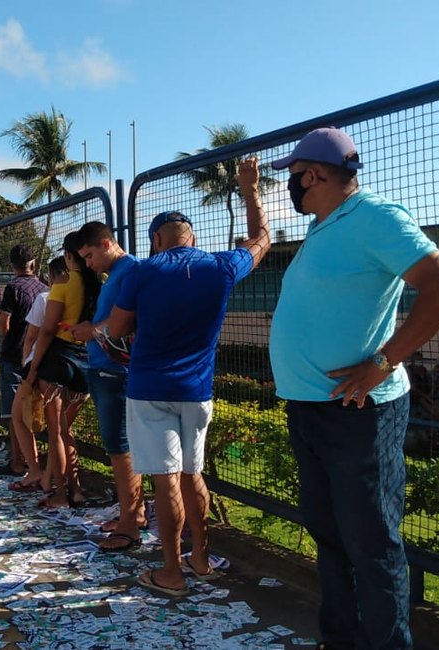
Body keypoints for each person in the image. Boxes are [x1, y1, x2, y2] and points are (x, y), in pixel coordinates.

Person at [268, 127, 439, 648]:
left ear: (313, 175)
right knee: (330, 536)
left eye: (293, 177)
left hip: (359, 412)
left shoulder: (377, 217)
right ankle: (341, 639)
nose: (290, 187)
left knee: (371, 543)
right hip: (311, 409)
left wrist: (382, 362)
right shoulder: (323, 226)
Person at [105, 158, 270, 598]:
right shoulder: (220, 267)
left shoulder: (142, 270)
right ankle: (200, 556)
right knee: (194, 474)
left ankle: (171, 572)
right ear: (193, 236)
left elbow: (117, 329)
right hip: (197, 390)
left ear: (156, 239)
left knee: (165, 479)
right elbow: (261, 241)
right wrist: (249, 189)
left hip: (149, 389)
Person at [71, 221, 144, 552]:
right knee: (119, 447)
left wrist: (92, 331)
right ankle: (133, 512)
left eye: (89, 256)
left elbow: (127, 320)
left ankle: (130, 523)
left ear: (105, 244)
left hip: (115, 371)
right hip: (107, 368)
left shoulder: (129, 271)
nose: (88, 264)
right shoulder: (116, 275)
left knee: (120, 448)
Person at [25, 231, 100, 509]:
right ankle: (77, 490)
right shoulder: (99, 284)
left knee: (56, 432)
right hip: (87, 362)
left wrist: (32, 372)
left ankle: (59, 494)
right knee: (67, 431)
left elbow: (46, 331)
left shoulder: (63, 285)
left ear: (69, 256)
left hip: (58, 362)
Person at [8, 256, 67, 494]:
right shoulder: (82, 299)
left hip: (41, 367)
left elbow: (32, 336)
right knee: (60, 430)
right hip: (69, 367)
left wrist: (27, 365)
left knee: (19, 416)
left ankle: (36, 471)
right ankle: (55, 481)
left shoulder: (46, 299)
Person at [0, 244, 48, 476]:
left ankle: (19, 461)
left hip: (14, 355)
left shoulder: (12, 288)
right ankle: (35, 462)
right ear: (33, 264)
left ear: (12, 265)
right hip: (40, 357)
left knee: (14, 414)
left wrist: (15, 335)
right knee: (36, 411)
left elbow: (3, 325)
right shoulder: (45, 289)